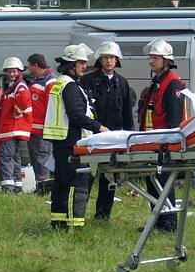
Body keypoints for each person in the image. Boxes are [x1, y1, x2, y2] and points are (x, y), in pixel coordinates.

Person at [43, 44, 109, 229]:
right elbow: (77, 115)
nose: (84, 66)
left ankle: (59, 223)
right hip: (72, 141)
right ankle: (75, 226)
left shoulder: (60, 83)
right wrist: (99, 127)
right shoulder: (70, 86)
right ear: (70, 64)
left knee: (61, 183)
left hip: (62, 142)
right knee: (77, 183)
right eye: (80, 63)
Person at [80, 41, 134, 221]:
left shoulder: (123, 83)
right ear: (100, 60)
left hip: (115, 139)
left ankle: (103, 216)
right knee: (86, 176)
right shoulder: (87, 80)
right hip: (92, 137)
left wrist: (130, 139)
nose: (109, 61)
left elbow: (127, 114)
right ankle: (78, 213)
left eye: (111, 58)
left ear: (117, 60)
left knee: (109, 178)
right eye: (105, 58)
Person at [138, 38, 187, 232]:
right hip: (152, 143)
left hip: (164, 144)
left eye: (155, 58)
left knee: (164, 183)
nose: (151, 61)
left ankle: (169, 224)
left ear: (166, 60)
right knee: (154, 183)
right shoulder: (157, 82)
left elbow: (174, 119)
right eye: (151, 57)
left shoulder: (173, 84)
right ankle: (158, 223)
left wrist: (168, 144)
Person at [0, 57, 32, 194]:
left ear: (19, 71)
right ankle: (17, 186)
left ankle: (8, 187)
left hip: (12, 128)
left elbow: (24, 101)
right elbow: (1, 102)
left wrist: (17, 112)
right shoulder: (13, 86)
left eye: (14, 71)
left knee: (5, 157)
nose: (11, 74)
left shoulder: (20, 86)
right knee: (15, 157)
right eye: (9, 71)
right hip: (16, 129)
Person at [25, 53, 56, 186]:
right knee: (36, 159)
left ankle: (44, 187)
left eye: (29, 66)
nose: (28, 69)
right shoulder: (37, 80)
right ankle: (38, 185)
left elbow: (52, 107)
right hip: (34, 130)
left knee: (42, 159)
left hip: (43, 130)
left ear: (36, 65)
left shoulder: (50, 81)